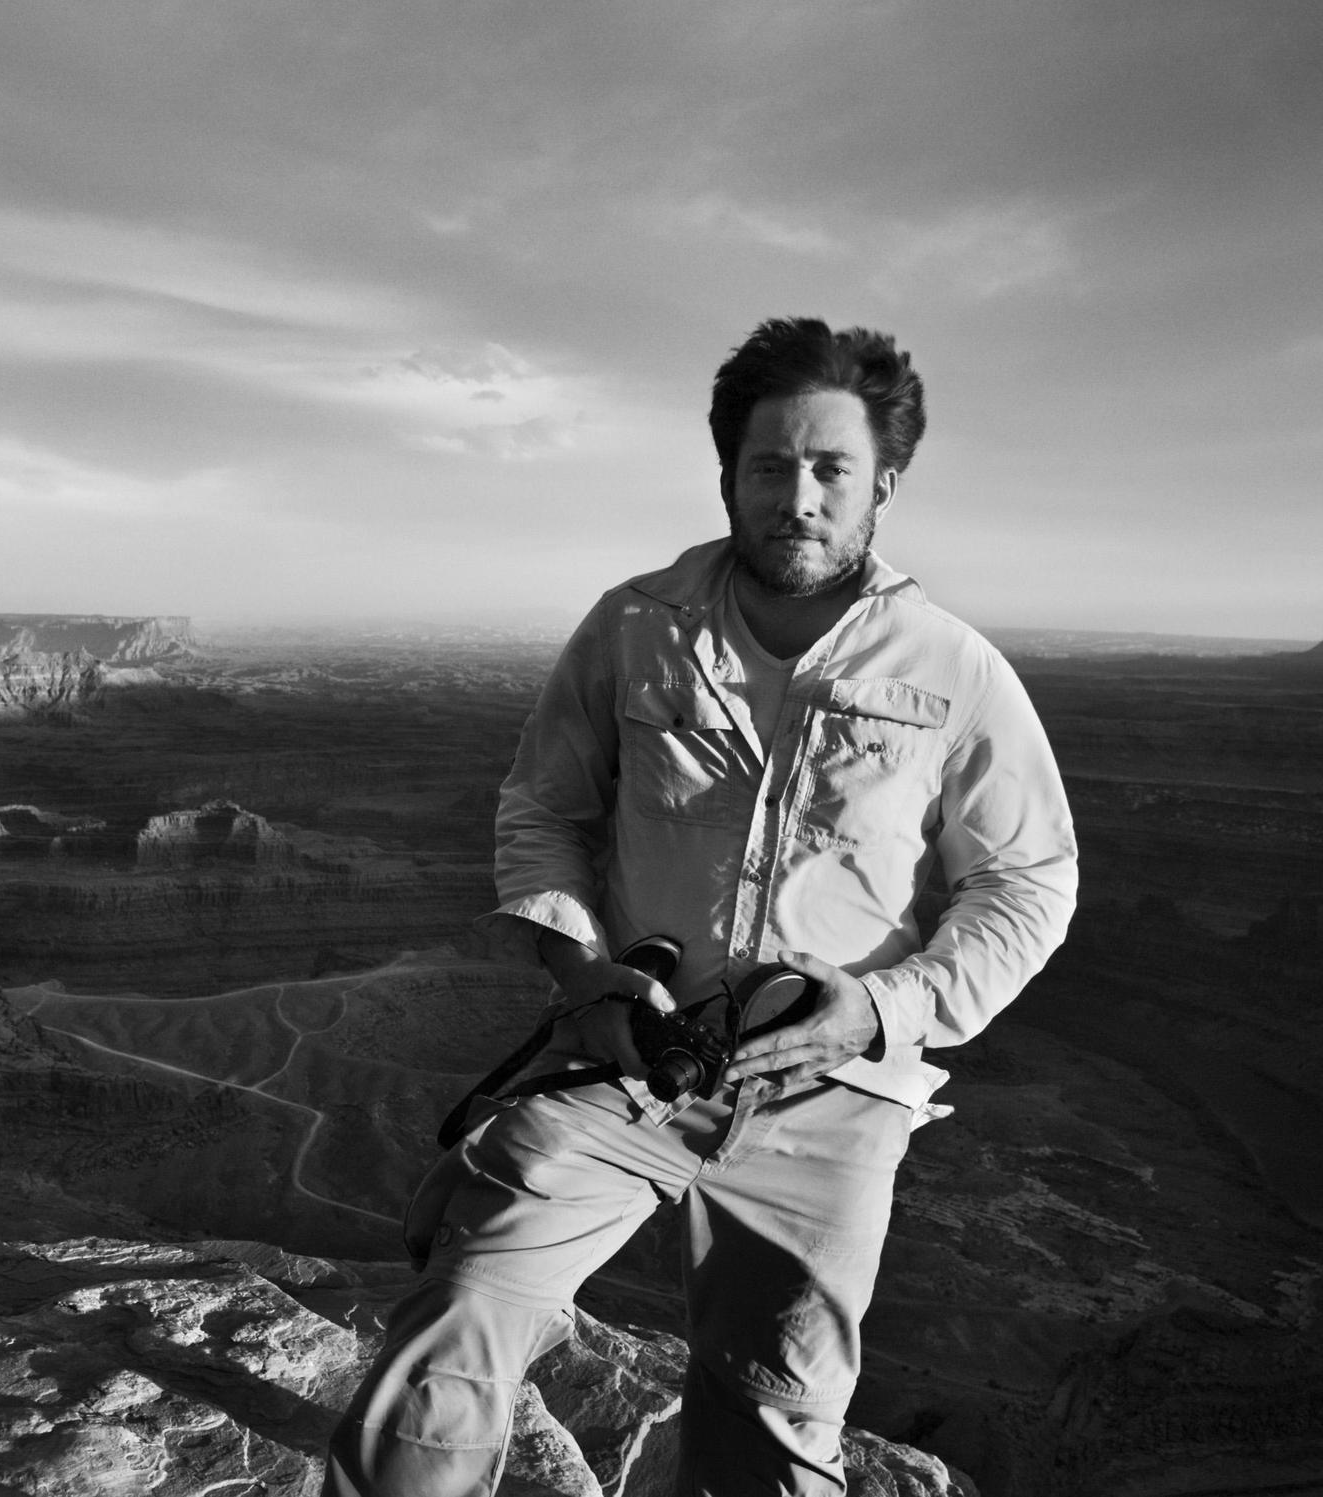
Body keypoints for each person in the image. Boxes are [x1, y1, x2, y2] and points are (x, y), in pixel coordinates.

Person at [325, 317, 1077, 1496]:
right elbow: (543, 810)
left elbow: (1024, 882)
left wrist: (880, 1009)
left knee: (771, 1423)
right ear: (727, 473)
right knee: (460, 1314)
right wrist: (581, 973)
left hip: (830, 1098)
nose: (797, 496)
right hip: (627, 1058)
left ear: (883, 479)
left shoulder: (952, 670)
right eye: (767, 466)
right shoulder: (633, 629)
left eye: (829, 467)